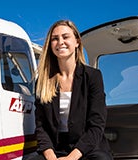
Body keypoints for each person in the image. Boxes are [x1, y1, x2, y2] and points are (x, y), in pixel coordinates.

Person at [33, 20, 113, 160]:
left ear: (77, 42)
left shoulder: (93, 77)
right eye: (55, 39)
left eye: (65, 37)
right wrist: (50, 155)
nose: (60, 42)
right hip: (56, 149)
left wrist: (72, 158)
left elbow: (96, 125)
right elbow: (41, 127)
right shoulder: (43, 81)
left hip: (87, 149)